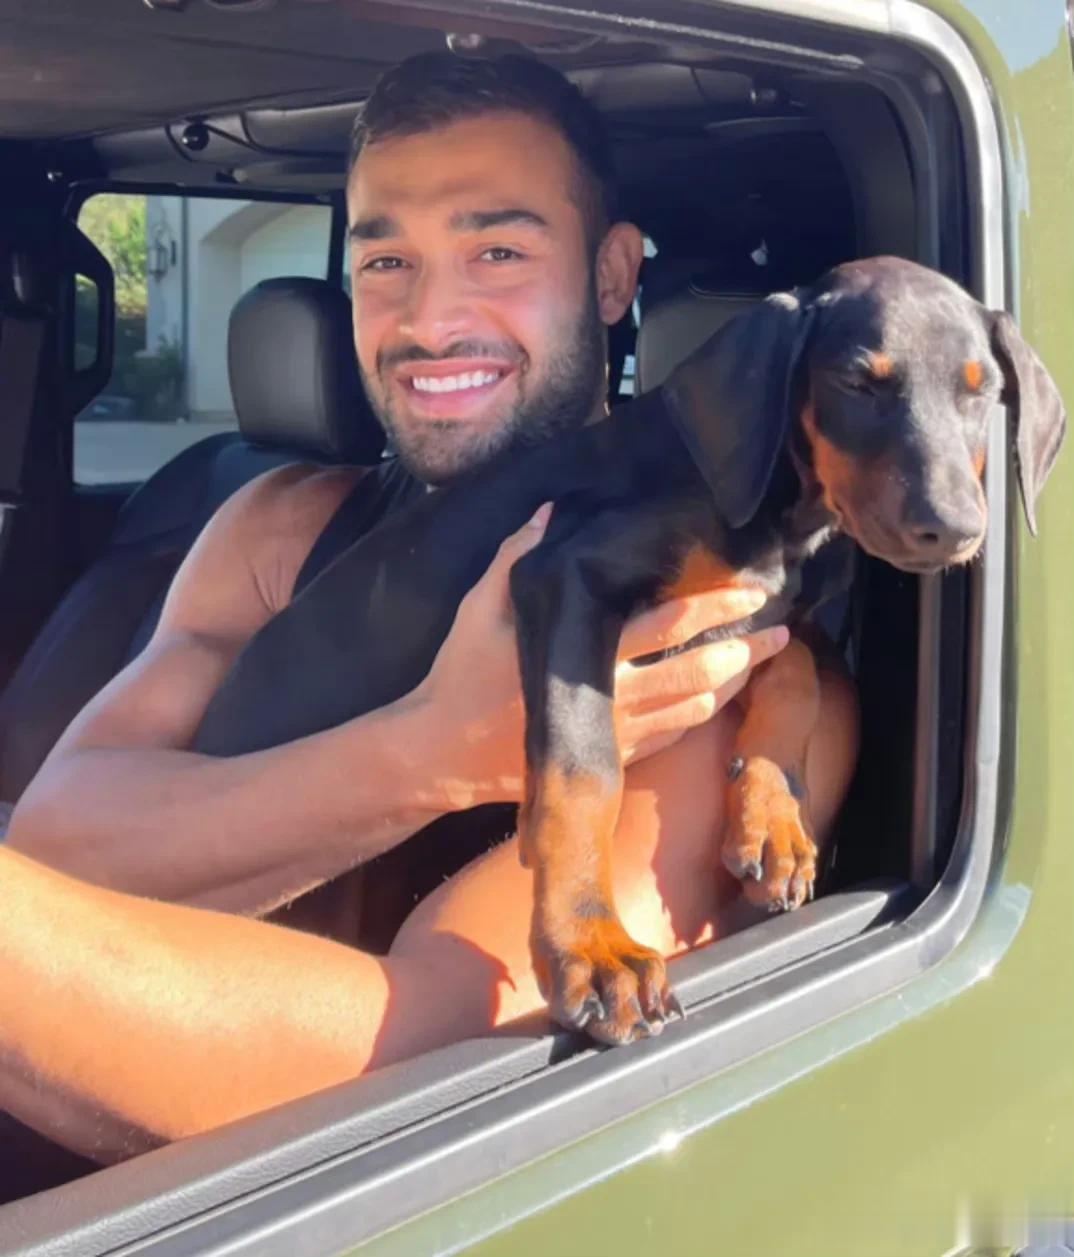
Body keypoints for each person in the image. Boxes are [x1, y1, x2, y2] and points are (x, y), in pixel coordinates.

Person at [0, 53, 858, 1164]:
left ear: (611, 276)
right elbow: (58, 839)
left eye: (497, 251)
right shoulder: (277, 527)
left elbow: (424, 1061)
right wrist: (433, 751)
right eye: (386, 261)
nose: (429, 319)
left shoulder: (737, 662)